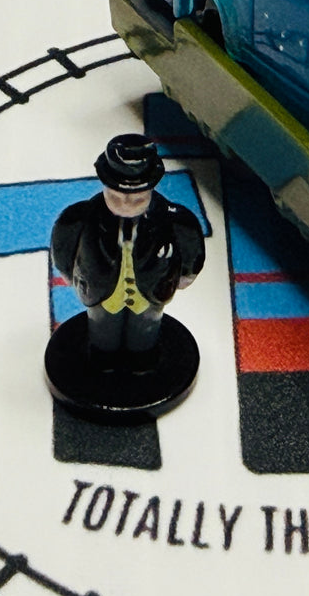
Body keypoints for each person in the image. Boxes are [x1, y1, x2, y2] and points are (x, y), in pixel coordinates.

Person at [44, 134, 205, 421]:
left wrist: (182, 278)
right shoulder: (82, 217)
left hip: (151, 293)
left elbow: (192, 249)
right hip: (101, 292)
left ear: (151, 190)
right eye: (116, 197)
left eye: (137, 198)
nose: (126, 205)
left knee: (145, 332)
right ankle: (102, 363)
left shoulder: (173, 219)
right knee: (102, 332)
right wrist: (76, 278)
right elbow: (63, 250)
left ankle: (142, 364)